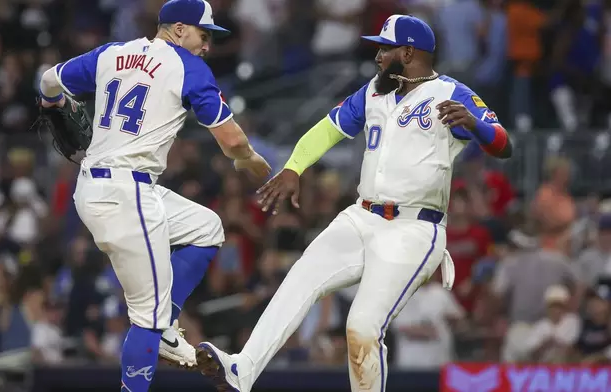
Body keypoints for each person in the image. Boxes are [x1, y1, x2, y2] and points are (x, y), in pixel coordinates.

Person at [196, 14, 512, 392]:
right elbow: (329, 128)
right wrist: (295, 167)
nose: (377, 55)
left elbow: (504, 144)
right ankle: (241, 371)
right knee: (299, 279)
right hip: (361, 216)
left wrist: (476, 126)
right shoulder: (374, 92)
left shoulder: (451, 94)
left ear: (408, 52)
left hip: (413, 228)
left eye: (385, 48)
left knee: (361, 328)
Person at [37, 1, 271, 391]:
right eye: (204, 34)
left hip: (106, 185)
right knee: (146, 318)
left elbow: (49, 79)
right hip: (126, 193)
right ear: (179, 29)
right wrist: (247, 158)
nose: (207, 45)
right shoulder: (186, 65)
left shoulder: (114, 52)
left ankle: (165, 329)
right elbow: (231, 140)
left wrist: (53, 104)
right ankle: (153, 341)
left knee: (207, 228)